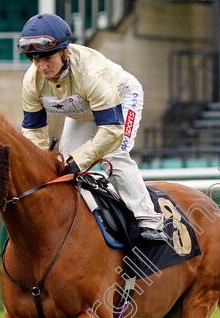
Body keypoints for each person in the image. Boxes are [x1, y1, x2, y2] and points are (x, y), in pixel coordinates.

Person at [18, 14, 166, 241]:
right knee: (67, 163)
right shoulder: (32, 80)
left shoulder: (92, 73)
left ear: (65, 52)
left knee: (114, 153)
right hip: (80, 109)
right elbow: (34, 133)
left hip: (121, 98)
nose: (41, 66)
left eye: (47, 58)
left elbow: (111, 131)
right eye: (34, 59)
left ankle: (149, 219)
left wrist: (80, 159)